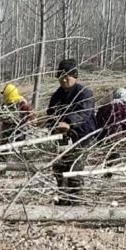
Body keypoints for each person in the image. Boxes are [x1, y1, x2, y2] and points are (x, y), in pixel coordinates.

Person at [46, 59, 97, 205]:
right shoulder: (57, 95)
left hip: (82, 136)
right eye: (61, 76)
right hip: (62, 137)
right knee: (59, 167)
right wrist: (52, 124)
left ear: (75, 76)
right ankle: (63, 198)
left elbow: (84, 113)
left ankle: (75, 201)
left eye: (67, 76)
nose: (63, 79)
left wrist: (68, 122)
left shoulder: (84, 93)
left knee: (75, 168)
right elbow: (51, 113)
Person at [96, 87, 126, 165]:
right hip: (116, 135)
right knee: (115, 155)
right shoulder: (123, 107)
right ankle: (109, 171)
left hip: (103, 135)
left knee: (109, 154)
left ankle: (108, 170)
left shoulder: (104, 107)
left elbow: (97, 120)